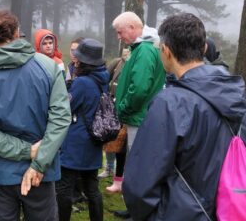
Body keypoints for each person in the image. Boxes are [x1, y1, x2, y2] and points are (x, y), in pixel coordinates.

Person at [123, 13, 246, 220]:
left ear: (166, 51)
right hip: (228, 208)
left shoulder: (170, 103)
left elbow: (140, 183)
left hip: (178, 213)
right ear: (203, 48)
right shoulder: (235, 92)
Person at [0, 10, 71, 221]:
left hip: (4, 171)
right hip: (36, 171)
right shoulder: (48, 67)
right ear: (17, 33)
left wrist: (37, 161)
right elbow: (60, 119)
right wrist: (35, 158)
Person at [56, 38, 108, 221]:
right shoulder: (103, 78)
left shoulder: (83, 83)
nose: (75, 60)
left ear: (83, 61)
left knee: (64, 188)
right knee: (92, 188)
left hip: (76, 142)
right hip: (94, 140)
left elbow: (66, 107)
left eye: (78, 58)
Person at [112, 12, 165, 151]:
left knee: (137, 162)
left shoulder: (144, 50)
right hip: (142, 116)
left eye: (120, 32)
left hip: (139, 118)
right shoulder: (144, 48)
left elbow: (139, 89)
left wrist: (122, 109)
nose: (119, 37)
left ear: (131, 27)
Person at [100, 48, 130, 194]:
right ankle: (109, 168)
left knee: (122, 145)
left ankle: (120, 176)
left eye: (129, 49)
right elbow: (105, 78)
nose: (126, 52)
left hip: (125, 110)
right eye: (124, 49)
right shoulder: (116, 63)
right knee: (110, 140)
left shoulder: (135, 65)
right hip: (112, 107)